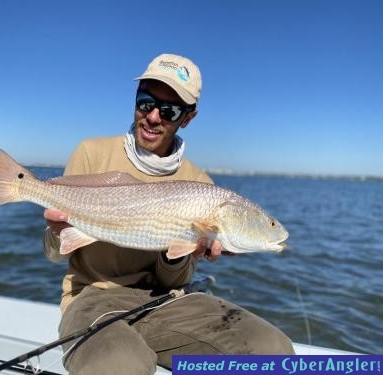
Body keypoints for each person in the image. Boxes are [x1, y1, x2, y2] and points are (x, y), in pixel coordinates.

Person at [43, 53, 294, 374]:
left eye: (170, 110)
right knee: (120, 364)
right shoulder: (91, 154)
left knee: (272, 350)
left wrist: (177, 256)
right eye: (145, 102)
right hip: (93, 296)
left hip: (168, 300)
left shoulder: (201, 184)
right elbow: (53, 254)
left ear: (187, 118)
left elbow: (174, 279)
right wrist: (56, 231)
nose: (153, 117)